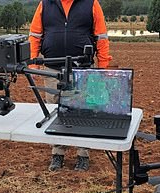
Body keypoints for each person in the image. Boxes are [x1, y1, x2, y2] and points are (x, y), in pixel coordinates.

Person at [29, 0, 112, 171]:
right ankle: (57, 153)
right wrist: (33, 64)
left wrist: (103, 66)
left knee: (83, 111)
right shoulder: (45, 4)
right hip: (52, 69)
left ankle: (83, 154)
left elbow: (101, 36)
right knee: (55, 112)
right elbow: (35, 34)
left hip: (82, 68)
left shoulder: (91, 3)